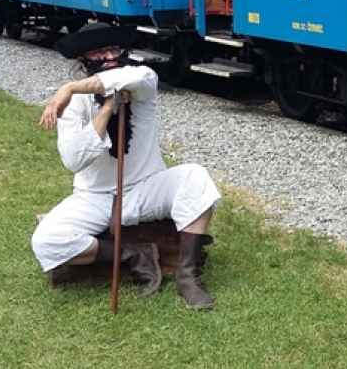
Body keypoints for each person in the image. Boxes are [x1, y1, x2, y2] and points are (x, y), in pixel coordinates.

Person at [32, 22, 222, 310]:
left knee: (195, 177)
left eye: (114, 49)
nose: (109, 56)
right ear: (84, 62)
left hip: (146, 187)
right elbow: (74, 159)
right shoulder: (74, 104)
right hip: (94, 196)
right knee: (46, 241)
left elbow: (133, 76)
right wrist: (107, 109)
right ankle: (134, 255)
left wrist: (68, 87)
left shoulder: (142, 80)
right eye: (99, 51)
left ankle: (188, 278)